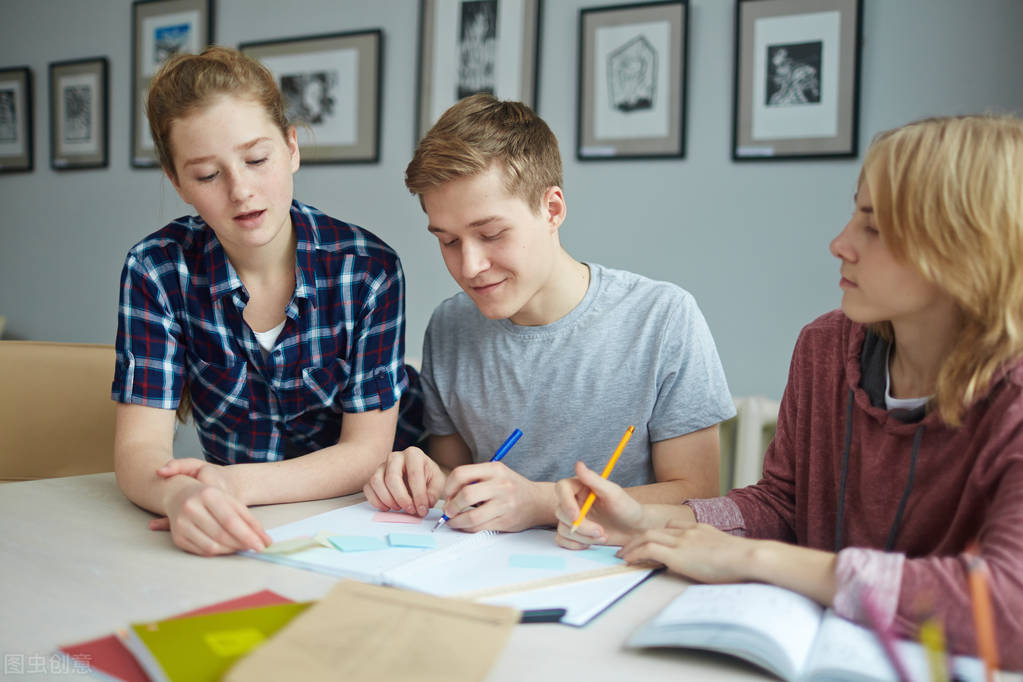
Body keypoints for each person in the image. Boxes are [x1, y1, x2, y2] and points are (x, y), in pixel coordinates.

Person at [553, 114, 1023, 665]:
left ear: (965, 251)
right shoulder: (826, 349)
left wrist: (759, 560)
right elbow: (782, 505)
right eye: (855, 213)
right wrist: (651, 518)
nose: (840, 243)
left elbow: (1008, 605)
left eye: (874, 227)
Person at [363, 94, 735, 533]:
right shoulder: (450, 326)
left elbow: (698, 496)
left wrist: (540, 502)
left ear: (552, 209)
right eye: (448, 241)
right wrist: (423, 477)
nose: (469, 267)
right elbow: (453, 474)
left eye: (491, 233)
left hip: (619, 567)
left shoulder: (662, 318)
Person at [112, 47, 422, 557]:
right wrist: (179, 494)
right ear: (177, 182)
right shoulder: (156, 269)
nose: (241, 190)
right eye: (208, 175)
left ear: (292, 148)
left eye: (257, 160)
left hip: (363, 523)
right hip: (239, 529)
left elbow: (366, 453)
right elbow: (139, 451)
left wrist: (232, 485)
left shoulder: (368, 269)